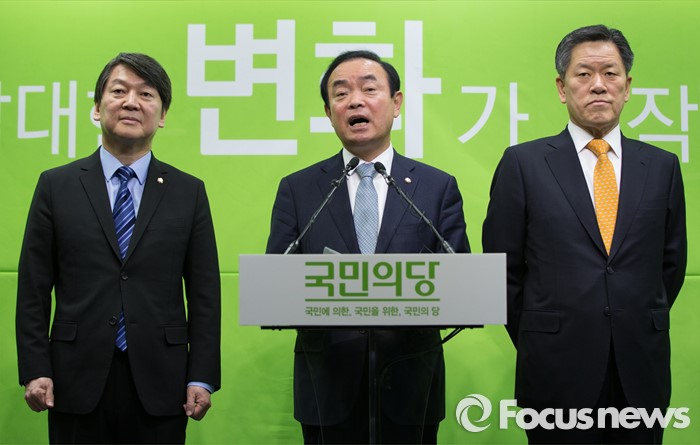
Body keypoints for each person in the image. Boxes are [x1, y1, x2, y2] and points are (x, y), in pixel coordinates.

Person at [483, 25, 686, 444]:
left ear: (628, 87)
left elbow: (670, 265)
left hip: (640, 369)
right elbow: (501, 270)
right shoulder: (524, 164)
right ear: (562, 88)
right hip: (554, 369)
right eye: (583, 74)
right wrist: (543, 335)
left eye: (610, 73)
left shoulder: (661, 166)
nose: (598, 85)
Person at [15, 52, 221, 444]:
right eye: (119, 91)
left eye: (146, 94)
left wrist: (202, 376)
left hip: (162, 380)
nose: (131, 102)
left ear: (162, 115)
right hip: (74, 377)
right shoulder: (56, 186)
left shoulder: (188, 191)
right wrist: (36, 368)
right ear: (97, 108)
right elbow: (33, 288)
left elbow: (205, 293)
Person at [266, 50, 469, 444]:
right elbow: (276, 282)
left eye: (369, 89)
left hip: (412, 380)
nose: (355, 101)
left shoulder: (436, 187)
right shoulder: (299, 189)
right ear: (329, 113)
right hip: (327, 382)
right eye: (341, 94)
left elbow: (460, 282)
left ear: (396, 103)